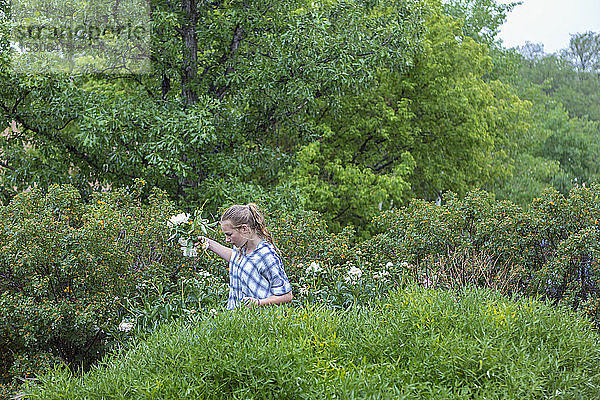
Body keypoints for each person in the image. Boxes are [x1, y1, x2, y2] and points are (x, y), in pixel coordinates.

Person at [198, 203, 293, 309]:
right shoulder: (241, 248)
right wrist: (207, 243)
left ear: (244, 229)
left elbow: (287, 296)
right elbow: (235, 259)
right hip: (237, 319)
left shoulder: (266, 256)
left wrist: (258, 303)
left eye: (229, 234)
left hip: (258, 321)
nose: (227, 240)